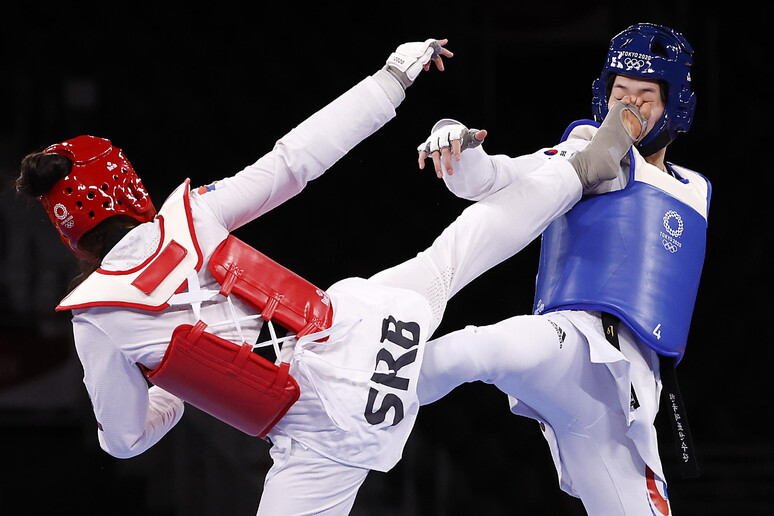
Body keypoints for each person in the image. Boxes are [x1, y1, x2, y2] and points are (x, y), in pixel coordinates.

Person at [15, 35, 641, 514]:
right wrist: (391, 79)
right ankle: (575, 172)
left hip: (334, 429)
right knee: (449, 257)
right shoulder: (189, 213)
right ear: (128, 186)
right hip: (372, 331)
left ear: (67, 231)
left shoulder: (98, 316)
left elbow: (124, 441)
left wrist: (173, 391)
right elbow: (297, 160)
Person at [415, 23, 709, 515]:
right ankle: (352, 382)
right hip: (572, 340)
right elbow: (500, 177)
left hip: (626, 393)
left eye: (644, 96)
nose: (629, 108)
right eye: (619, 94)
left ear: (675, 105)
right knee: (480, 347)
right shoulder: (589, 148)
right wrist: (460, 152)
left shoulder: (696, 188)